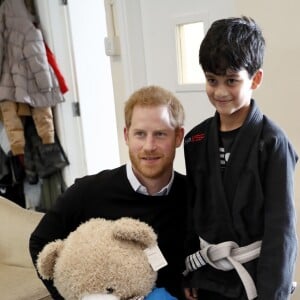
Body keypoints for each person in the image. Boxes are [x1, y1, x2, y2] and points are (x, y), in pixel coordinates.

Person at [29, 85, 187, 299]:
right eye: (140, 134)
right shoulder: (88, 191)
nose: (149, 146)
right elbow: (40, 242)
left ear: (178, 137)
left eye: (160, 134)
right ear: (126, 135)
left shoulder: (194, 194)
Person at [183, 16, 298, 300]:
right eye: (212, 80)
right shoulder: (195, 140)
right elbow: (192, 213)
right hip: (208, 276)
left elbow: (281, 228)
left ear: (255, 79)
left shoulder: (272, 143)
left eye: (231, 80)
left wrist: (272, 294)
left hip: (254, 280)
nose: (220, 91)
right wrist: (188, 270)